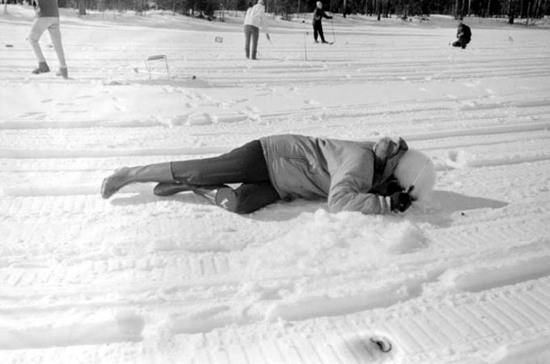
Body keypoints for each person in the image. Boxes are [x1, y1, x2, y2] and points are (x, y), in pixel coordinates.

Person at [101, 134, 437, 215]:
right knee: (201, 169)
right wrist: (385, 205)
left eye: (393, 149)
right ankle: (130, 174)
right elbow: (339, 202)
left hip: (283, 183)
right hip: (269, 155)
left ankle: (186, 186)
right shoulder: (362, 162)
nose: (385, 144)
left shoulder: (375, 170)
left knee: (239, 203)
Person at [29, 0, 68, 78]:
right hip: (55, 16)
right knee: (57, 43)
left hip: (44, 15)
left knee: (32, 39)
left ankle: (42, 64)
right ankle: (63, 68)